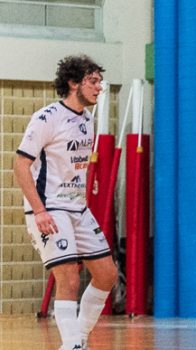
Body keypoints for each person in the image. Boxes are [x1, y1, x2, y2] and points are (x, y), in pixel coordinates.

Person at [16, 54, 118, 350]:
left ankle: (80, 338)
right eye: (93, 81)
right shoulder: (47, 118)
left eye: (100, 81)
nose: (99, 88)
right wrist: (38, 210)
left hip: (78, 207)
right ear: (73, 83)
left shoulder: (87, 119)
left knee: (107, 274)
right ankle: (72, 344)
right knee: (69, 277)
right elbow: (20, 166)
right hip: (49, 207)